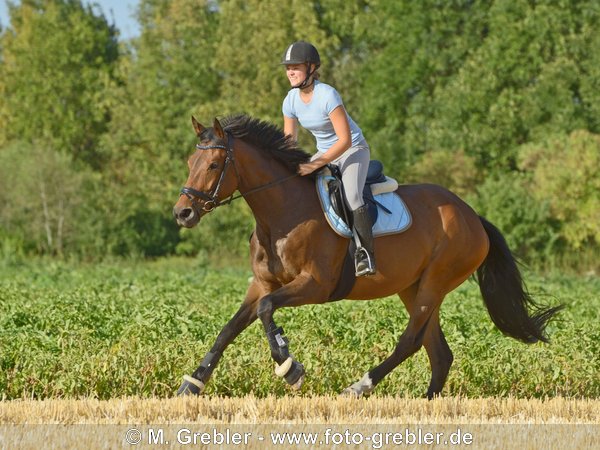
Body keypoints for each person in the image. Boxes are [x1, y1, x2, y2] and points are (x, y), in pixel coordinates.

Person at [280, 40, 376, 276]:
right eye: (287, 67)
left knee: (352, 195)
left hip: (353, 150)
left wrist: (314, 164)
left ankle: (365, 254)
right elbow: (289, 142)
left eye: (296, 66)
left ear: (311, 68)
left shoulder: (327, 95)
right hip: (324, 153)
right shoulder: (290, 100)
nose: (290, 72)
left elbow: (345, 140)